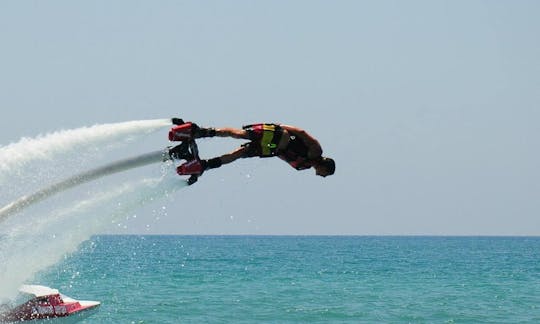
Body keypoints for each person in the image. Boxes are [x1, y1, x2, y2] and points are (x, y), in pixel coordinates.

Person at [169, 119, 335, 178]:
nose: (323, 176)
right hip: (277, 136)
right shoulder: (316, 151)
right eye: (325, 174)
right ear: (324, 166)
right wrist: (278, 126)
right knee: (240, 135)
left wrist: (263, 150)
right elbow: (301, 132)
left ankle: (205, 164)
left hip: (270, 148)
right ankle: (200, 132)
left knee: (239, 154)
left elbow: (283, 155)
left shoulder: (304, 166)